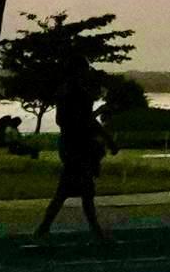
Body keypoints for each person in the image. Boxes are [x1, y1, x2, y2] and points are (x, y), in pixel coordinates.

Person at [31, 79, 111, 251]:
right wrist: (103, 130)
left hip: (71, 147)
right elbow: (85, 121)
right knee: (81, 191)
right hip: (78, 148)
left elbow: (76, 121)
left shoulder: (64, 92)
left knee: (71, 191)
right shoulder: (75, 94)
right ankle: (95, 231)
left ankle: (45, 228)